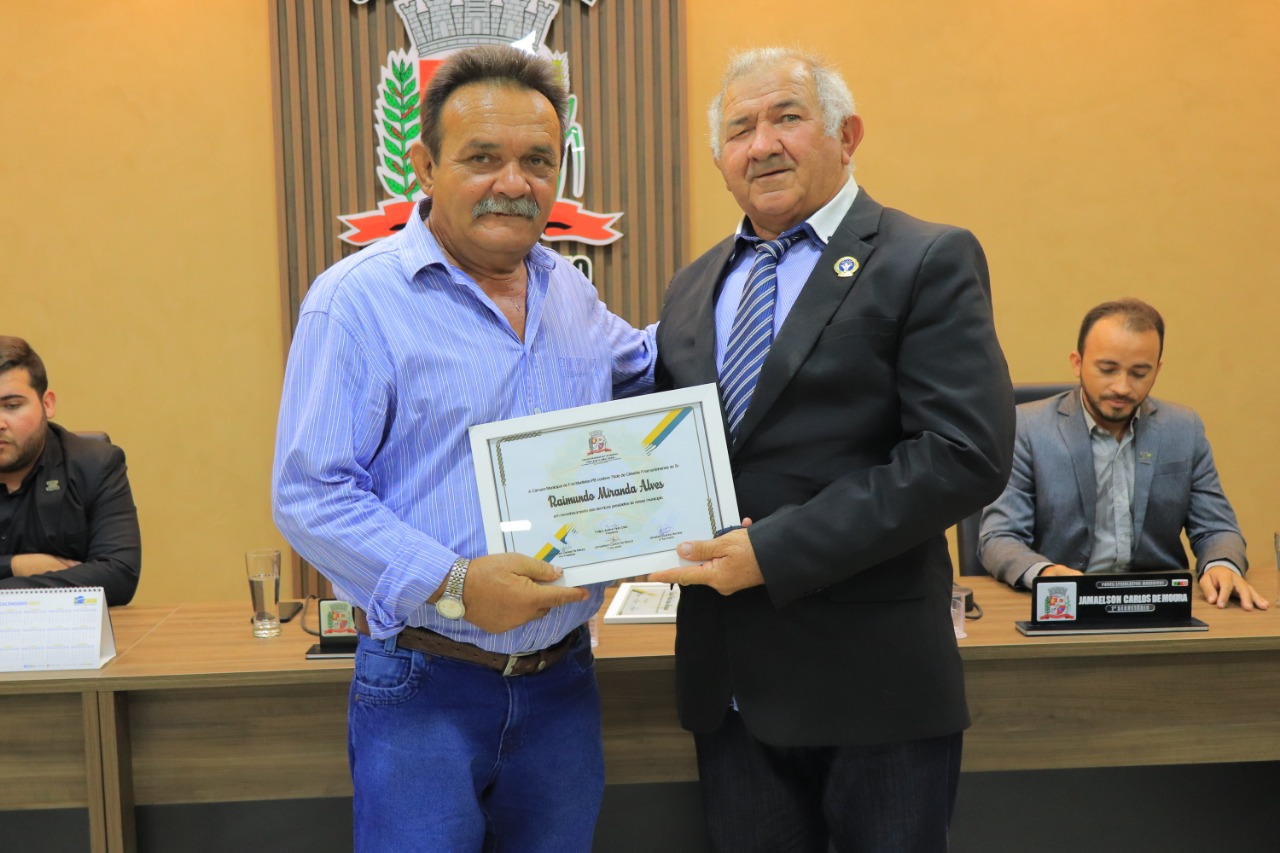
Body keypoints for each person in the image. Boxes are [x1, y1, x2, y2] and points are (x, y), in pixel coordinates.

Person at [271, 46, 656, 853]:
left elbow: (647, 371)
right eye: (482, 157)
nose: (513, 182)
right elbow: (310, 495)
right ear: (424, 165)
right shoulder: (355, 302)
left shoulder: (570, 289)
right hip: (424, 683)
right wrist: (453, 584)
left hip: (563, 682)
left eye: (537, 161)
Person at [647, 47, 1014, 852]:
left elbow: (963, 453)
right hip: (731, 691)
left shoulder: (925, 258)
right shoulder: (691, 285)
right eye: (739, 129)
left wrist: (773, 551)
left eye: (788, 117)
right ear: (719, 159)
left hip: (874, 688)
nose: (762, 144)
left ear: (847, 135)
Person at [979, 298, 1265, 610]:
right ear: (1077, 362)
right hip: (1064, 602)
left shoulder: (1184, 429)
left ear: (1157, 369)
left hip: (1158, 603)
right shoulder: (1027, 428)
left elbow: (1217, 528)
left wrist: (1221, 564)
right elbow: (999, 537)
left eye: (1139, 373)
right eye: (1107, 369)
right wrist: (1045, 573)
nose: (1122, 387)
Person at [0, 336, 141, 605]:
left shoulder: (95, 465)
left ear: (47, 404)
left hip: (72, 628)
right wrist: (16, 565)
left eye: (12, 406)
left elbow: (119, 574)